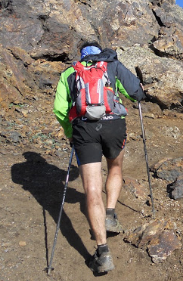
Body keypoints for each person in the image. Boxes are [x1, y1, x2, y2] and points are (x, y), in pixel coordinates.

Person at [53, 41, 145, 273]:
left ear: (81, 54)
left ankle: (102, 252)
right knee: (115, 167)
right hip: (114, 125)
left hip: (85, 128)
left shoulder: (70, 72)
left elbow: (60, 109)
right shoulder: (111, 64)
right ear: (99, 52)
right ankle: (110, 215)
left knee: (91, 190)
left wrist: (70, 132)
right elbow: (135, 93)